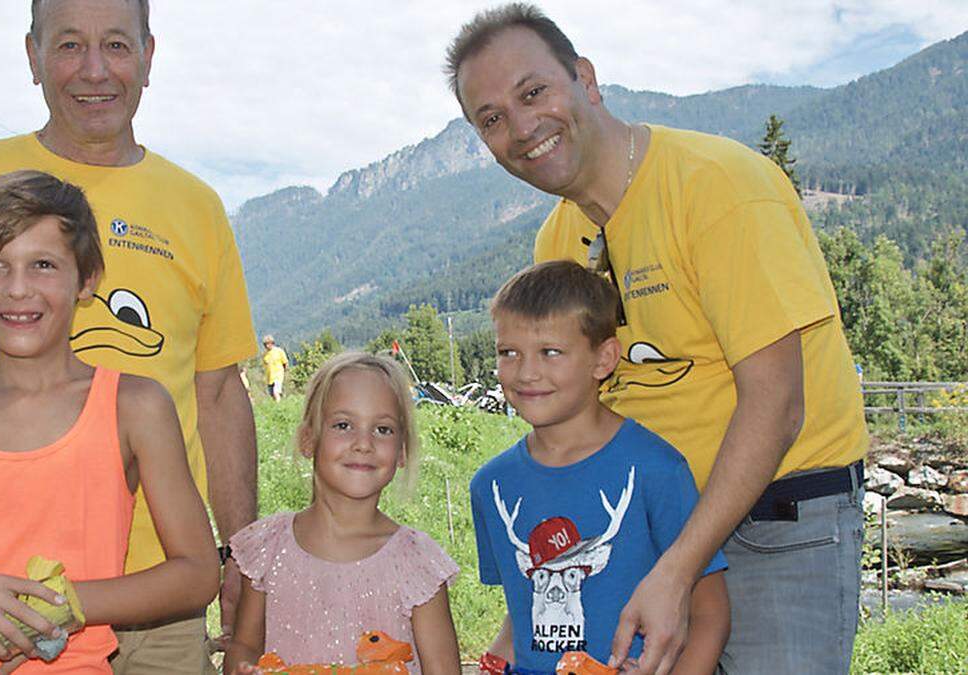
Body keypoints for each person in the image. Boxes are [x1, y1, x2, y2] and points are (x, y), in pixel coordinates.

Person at [445, 5, 867, 673]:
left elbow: (778, 403)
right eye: (491, 118)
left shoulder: (719, 188)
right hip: (647, 530)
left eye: (534, 92)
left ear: (585, 79)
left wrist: (679, 566)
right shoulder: (558, 241)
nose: (521, 127)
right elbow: (582, 424)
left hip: (777, 521)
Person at [0, 1, 258, 671]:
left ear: (149, 56)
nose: (94, 70)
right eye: (69, 44)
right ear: (32, 54)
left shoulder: (198, 207)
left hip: (158, 594)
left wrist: (240, 552)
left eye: (116, 46)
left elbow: (219, 393)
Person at [0, 171, 220, 673]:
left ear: (87, 278)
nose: (17, 288)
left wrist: (62, 606)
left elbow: (198, 574)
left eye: (43, 264)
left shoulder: (134, 406)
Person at [470, 261, 729, 674]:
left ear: (604, 358)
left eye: (550, 352)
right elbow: (520, 616)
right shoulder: (491, 486)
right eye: (509, 353)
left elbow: (710, 614)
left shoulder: (656, 470)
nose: (526, 372)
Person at [224, 352, 461, 675]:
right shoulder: (269, 548)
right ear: (308, 440)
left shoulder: (417, 563)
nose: (363, 443)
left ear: (402, 450)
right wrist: (241, 667)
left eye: (383, 429)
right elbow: (246, 644)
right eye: (343, 425)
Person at [260, 335, 288, 401]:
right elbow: (265, 366)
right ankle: (278, 404)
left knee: (276, 392)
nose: (267, 346)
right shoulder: (265, 355)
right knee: (272, 394)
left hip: (278, 375)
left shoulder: (279, 351)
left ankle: (279, 406)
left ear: (272, 343)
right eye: (266, 344)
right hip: (270, 378)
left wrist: (285, 371)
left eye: (268, 343)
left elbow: (285, 362)